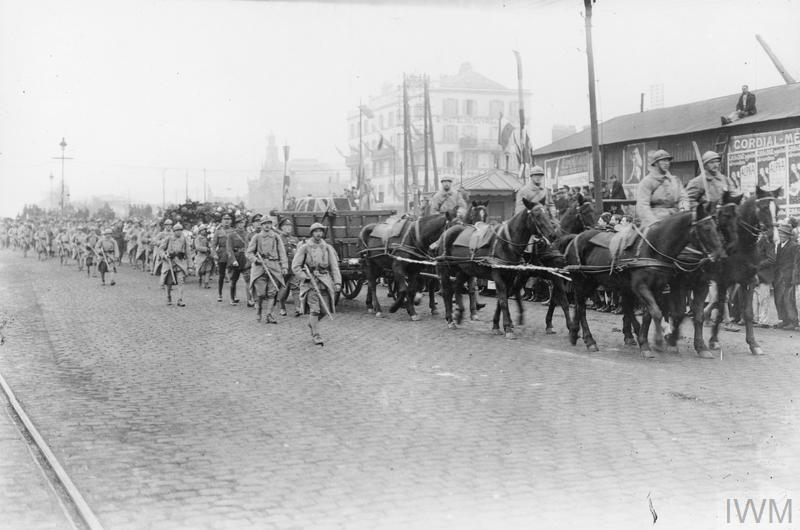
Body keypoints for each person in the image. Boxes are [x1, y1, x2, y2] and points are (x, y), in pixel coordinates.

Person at [291, 222, 341, 346]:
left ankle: (312, 324)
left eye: (320, 231)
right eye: (316, 231)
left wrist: (337, 282)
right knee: (315, 310)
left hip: (325, 282)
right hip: (310, 283)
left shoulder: (327, 247)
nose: (318, 234)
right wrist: (305, 277)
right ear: (312, 233)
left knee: (325, 310)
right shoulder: (305, 247)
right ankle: (316, 335)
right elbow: (295, 266)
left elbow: (334, 267)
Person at [247, 217, 288, 323]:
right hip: (260, 268)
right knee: (260, 294)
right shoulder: (256, 237)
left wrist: (284, 266)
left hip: (274, 266)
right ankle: (259, 310)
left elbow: (282, 252)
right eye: (264, 223)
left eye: (269, 223)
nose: (267, 225)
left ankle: (269, 314)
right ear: (261, 225)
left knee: (272, 293)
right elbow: (249, 252)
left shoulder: (276, 237)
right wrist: (256, 260)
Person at [635, 149, 688, 230]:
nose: (666, 163)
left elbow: (683, 198)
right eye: (663, 161)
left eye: (668, 160)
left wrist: (683, 210)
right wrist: (653, 222)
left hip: (676, 217)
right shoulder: (647, 181)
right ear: (655, 163)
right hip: (657, 218)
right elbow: (642, 205)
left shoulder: (675, 180)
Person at [773, 223, 800, 330]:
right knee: (779, 299)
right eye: (780, 233)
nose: (781, 235)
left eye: (784, 234)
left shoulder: (794, 246)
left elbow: (796, 263)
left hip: (788, 277)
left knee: (788, 299)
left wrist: (794, 277)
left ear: (789, 235)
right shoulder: (779, 245)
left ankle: (793, 321)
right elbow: (777, 262)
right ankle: (784, 320)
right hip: (779, 276)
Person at [160, 222, 190, 306]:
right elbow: (161, 249)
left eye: (180, 230)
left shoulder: (184, 239)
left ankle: (180, 299)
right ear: (174, 231)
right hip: (170, 263)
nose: (179, 232)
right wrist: (165, 256)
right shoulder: (168, 239)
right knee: (169, 282)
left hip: (180, 263)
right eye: (177, 230)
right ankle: (168, 296)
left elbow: (188, 252)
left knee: (181, 281)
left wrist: (190, 264)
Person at [277, 217, 301, 316]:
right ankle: (282, 307)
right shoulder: (278, 239)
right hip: (282, 267)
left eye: (289, 226)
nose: (288, 228)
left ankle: (298, 308)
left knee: (295, 287)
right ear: (282, 227)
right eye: (286, 226)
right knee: (283, 288)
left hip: (293, 267)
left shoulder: (294, 239)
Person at [226, 216, 250, 306]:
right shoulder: (231, 235)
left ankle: (249, 300)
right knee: (233, 280)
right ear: (236, 224)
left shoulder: (247, 234)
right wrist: (233, 260)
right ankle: (232, 298)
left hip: (245, 258)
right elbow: (229, 249)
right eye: (239, 223)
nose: (241, 225)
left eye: (242, 223)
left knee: (248, 280)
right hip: (236, 259)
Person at [211, 213, 233, 302]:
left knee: (232, 276)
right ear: (222, 221)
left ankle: (233, 296)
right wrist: (214, 254)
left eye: (228, 219)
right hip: (222, 254)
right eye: (225, 219)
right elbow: (213, 245)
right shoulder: (218, 232)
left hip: (231, 255)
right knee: (221, 275)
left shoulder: (233, 231)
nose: (226, 221)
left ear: (230, 221)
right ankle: (220, 294)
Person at [193, 225, 213, 289]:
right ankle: (200, 281)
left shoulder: (206, 238)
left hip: (207, 256)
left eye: (205, 230)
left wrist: (210, 248)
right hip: (200, 256)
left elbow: (209, 246)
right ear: (200, 231)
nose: (204, 231)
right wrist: (206, 249)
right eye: (202, 230)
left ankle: (206, 283)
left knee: (208, 270)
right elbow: (197, 247)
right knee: (200, 271)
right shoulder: (197, 238)